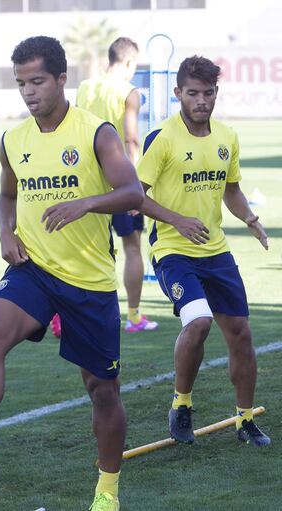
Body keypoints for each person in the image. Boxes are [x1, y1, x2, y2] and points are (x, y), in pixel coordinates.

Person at [0, 35, 144, 511]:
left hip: (89, 282)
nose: (29, 92)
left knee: (102, 391)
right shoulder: (12, 140)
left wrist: (87, 203)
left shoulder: (97, 133)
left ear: (61, 79)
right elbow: (7, 195)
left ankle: (107, 491)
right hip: (33, 268)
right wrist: (4, 232)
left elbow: (133, 192)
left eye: (37, 81)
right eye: (20, 83)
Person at [136, 55, 271, 446]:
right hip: (173, 250)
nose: (201, 101)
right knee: (198, 322)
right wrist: (177, 220)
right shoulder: (161, 138)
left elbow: (230, 189)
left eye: (208, 93)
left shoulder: (227, 136)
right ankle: (181, 404)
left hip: (216, 251)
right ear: (177, 93)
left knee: (241, 334)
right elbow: (134, 196)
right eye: (192, 93)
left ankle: (245, 420)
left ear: (216, 93)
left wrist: (251, 219)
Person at [76, 37, 158, 333]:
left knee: (84, 249)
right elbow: (131, 138)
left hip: (86, 179)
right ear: (129, 63)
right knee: (132, 247)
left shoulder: (86, 87)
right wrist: (134, 186)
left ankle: (68, 312)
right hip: (119, 180)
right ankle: (134, 316)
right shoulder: (128, 91)